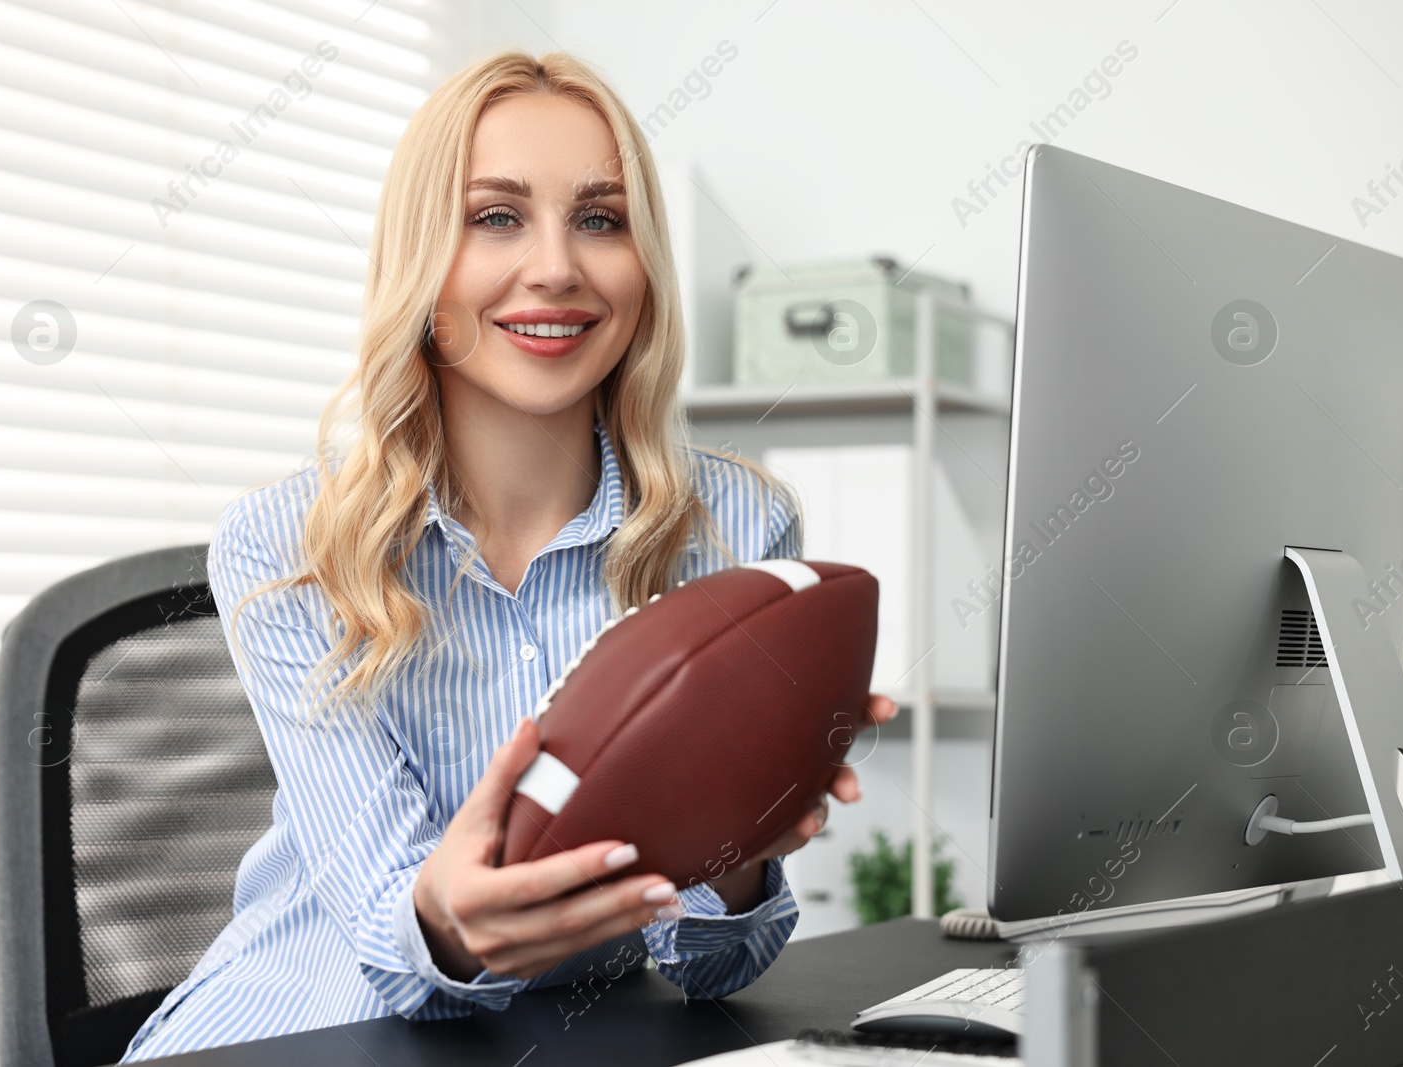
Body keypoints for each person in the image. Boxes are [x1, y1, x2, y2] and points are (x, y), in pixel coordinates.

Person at [120, 49, 897, 1061]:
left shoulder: (737, 527)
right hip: (297, 1024)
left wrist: (740, 855)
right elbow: (388, 947)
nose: (556, 267)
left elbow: (715, 967)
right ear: (420, 261)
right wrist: (446, 917)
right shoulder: (288, 546)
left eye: (600, 217)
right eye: (495, 217)